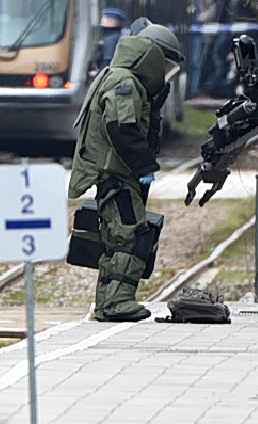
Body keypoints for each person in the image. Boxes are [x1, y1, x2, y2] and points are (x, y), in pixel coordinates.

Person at [68, 20, 185, 322]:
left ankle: (108, 303)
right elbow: (122, 128)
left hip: (117, 175)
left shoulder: (122, 78)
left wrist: (155, 109)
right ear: (151, 57)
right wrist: (144, 165)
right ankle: (118, 303)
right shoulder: (125, 83)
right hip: (118, 176)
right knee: (129, 237)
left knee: (116, 239)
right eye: (166, 66)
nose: (165, 74)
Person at [185, 0, 215, 97]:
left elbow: (211, 9)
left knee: (196, 62)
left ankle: (194, 89)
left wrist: (202, 18)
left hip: (197, 32)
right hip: (182, 32)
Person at [92, 8, 128, 75]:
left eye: (105, 18)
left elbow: (107, 62)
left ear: (112, 21)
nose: (102, 20)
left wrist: (99, 75)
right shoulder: (114, 36)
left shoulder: (111, 39)